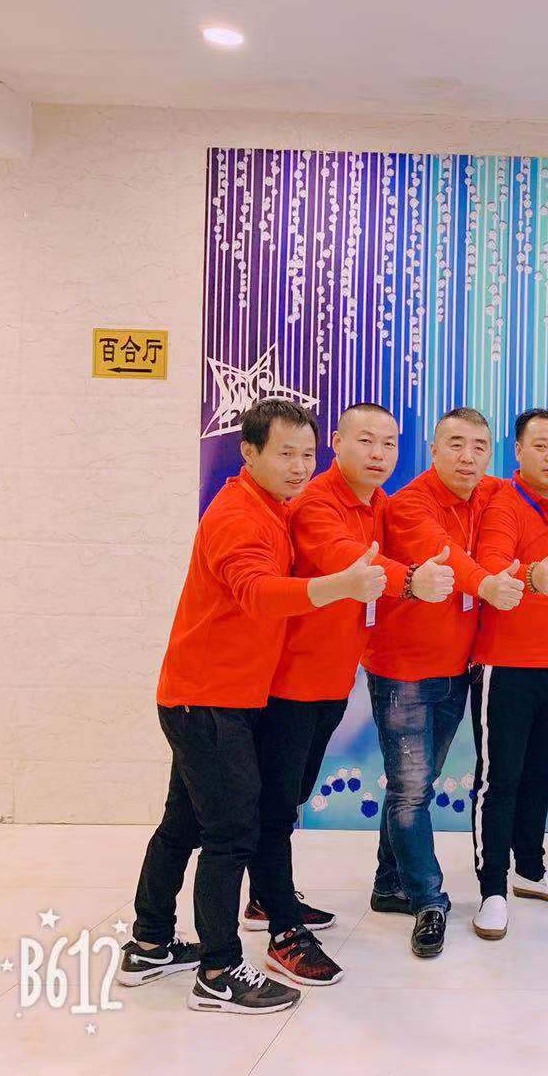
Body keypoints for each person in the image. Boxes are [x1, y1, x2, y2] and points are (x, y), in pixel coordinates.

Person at [121, 399, 385, 1014]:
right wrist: (341, 586)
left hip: (215, 697)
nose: (299, 467)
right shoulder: (239, 515)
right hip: (209, 702)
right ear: (248, 452)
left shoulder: (274, 506)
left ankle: (149, 943)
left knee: (184, 825)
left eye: (306, 454)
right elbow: (258, 593)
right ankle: (219, 972)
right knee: (232, 833)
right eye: (284, 453)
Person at [248, 403, 453, 987]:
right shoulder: (315, 502)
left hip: (334, 679)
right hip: (290, 681)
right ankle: (281, 926)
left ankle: (266, 896)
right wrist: (411, 581)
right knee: (276, 806)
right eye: (365, 440)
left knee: (290, 797)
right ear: (336, 442)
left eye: (388, 443)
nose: (378, 453)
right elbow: (346, 562)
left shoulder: (380, 505)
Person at [360, 406, 525, 959]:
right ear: (433, 450)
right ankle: (429, 900)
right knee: (411, 790)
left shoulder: (489, 494)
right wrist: (489, 586)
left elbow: (539, 484)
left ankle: (389, 883)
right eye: (455, 445)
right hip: (403, 672)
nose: (468, 457)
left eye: (479, 447)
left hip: (456, 668)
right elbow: (446, 558)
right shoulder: (410, 503)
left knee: (415, 785)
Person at [467, 408, 548, 941]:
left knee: (540, 775)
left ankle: (531, 871)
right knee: (500, 781)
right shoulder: (503, 504)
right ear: (518, 452)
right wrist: (531, 575)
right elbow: (492, 563)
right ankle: (492, 889)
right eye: (540, 446)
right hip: (507, 667)